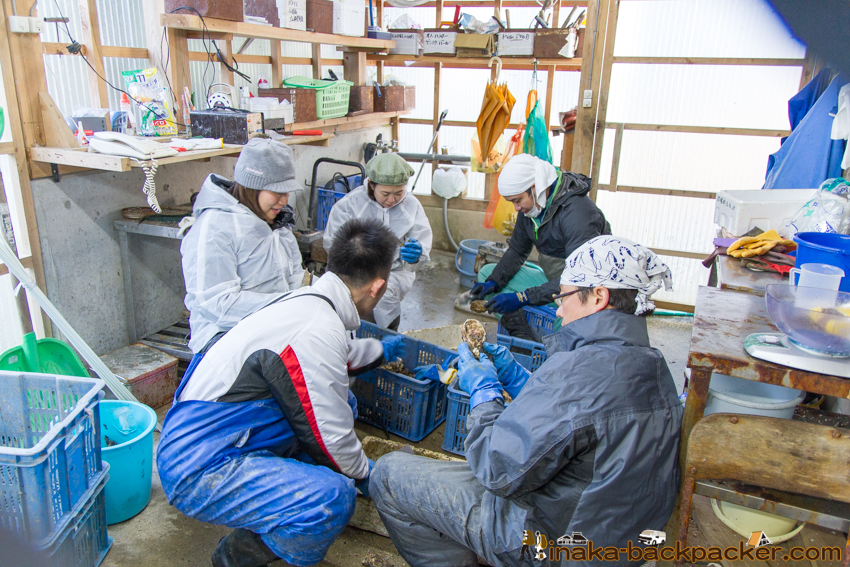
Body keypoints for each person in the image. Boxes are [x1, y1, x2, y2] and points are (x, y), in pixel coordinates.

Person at [370, 235, 683, 567]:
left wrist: (483, 390)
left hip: (549, 543)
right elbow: (581, 420)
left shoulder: (578, 372)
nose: (559, 309)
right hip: (608, 539)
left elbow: (496, 468)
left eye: (564, 297)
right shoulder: (654, 366)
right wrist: (522, 380)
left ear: (599, 297)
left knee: (389, 474)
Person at [157, 218, 407, 567]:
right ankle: (236, 556)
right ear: (377, 287)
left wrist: (383, 352)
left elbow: (333, 361)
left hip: (218, 431)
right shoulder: (315, 327)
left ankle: (280, 492)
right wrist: (368, 475)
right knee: (331, 498)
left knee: (344, 403)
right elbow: (329, 438)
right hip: (198, 464)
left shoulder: (309, 301)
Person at [181, 137, 305, 353]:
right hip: (224, 341)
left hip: (272, 331)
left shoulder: (277, 225)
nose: (284, 200)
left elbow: (295, 279)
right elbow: (218, 304)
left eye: (286, 192)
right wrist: (284, 307)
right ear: (251, 187)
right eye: (276, 192)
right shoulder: (215, 229)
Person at [469, 154, 611, 341]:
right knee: (487, 272)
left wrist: (522, 297)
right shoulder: (533, 207)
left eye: (517, 200)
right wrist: (493, 282)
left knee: (569, 322)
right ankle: (522, 335)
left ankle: (550, 351)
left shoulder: (578, 212)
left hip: (583, 287)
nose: (516, 208)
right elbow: (517, 251)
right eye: (512, 202)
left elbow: (578, 277)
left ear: (535, 187)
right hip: (553, 278)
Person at [323, 152, 433, 330]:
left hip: (395, 270)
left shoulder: (412, 206)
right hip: (355, 270)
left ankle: (389, 332)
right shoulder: (350, 204)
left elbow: (422, 239)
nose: (392, 199)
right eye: (385, 193)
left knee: (386, 297)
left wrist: (416, 255)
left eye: (399, 192)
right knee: (349, 302)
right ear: (371, 185)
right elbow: (332, 243)